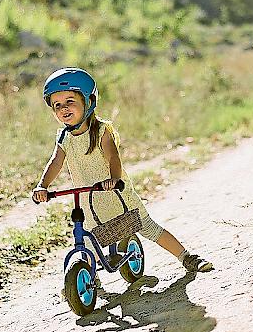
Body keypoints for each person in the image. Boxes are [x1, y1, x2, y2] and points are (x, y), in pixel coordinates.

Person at [32, 67, 213, 273]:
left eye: (70, 101)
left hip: (116, 194)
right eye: (57, 105)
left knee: (148, 228)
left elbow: (113, 157)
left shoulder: (101, 131)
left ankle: (186, 257)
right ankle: (87, 280)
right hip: (91, 202)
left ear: (88, 101)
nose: (63, 108)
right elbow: (56, 162)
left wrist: (114, 179)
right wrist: (43, 186)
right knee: (88, 242)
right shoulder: (64, 137)